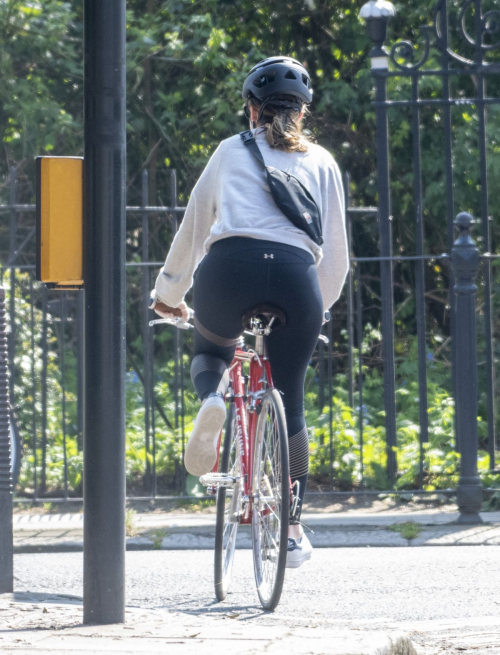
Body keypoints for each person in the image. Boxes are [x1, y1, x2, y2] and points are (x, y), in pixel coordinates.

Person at [150, 56, 348, 568]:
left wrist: (169, 293)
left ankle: (212, 397)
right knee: (293, 404)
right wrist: (316, 310)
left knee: (211, 350)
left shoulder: (228, 152)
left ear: (251, 110)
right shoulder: (323, 161)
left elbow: (194, 228)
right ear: (302, 113)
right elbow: (338, 255)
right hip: (295, 277)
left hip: (227, 270)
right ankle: (293, 527)